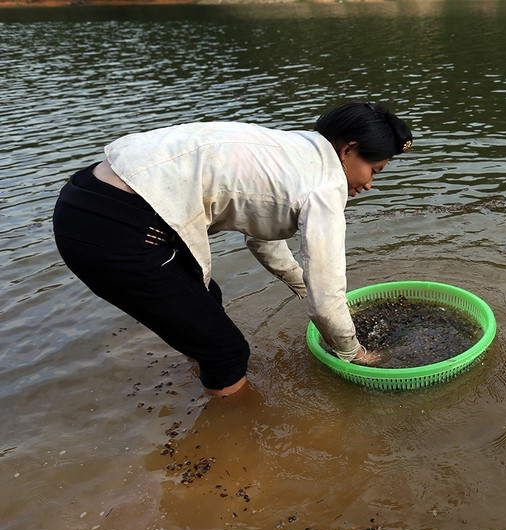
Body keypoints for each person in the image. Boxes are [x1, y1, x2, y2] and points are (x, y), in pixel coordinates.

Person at [52, 102, 413, 397]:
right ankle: (230, 442)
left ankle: (202, 378)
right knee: (228, 352)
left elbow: (263, 237)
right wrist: (355, 353)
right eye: (374, 170)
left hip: (85, 196)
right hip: (120, 227)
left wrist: (302, 287)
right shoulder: (325, 186)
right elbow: (327, 297)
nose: (369, 184)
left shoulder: (295, 150)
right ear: (348, 150)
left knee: (208, 301)